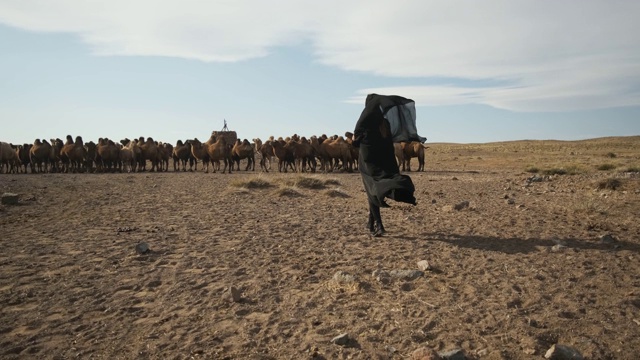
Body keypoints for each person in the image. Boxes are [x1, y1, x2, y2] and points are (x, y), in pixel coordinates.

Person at [352, 94, 417, 237]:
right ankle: (371, 222)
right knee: (374, 189)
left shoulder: (365, 123)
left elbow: (356, 141)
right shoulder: (385, 124)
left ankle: (379, 225)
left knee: (371, 191)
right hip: (385, 163)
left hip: (368, 163)